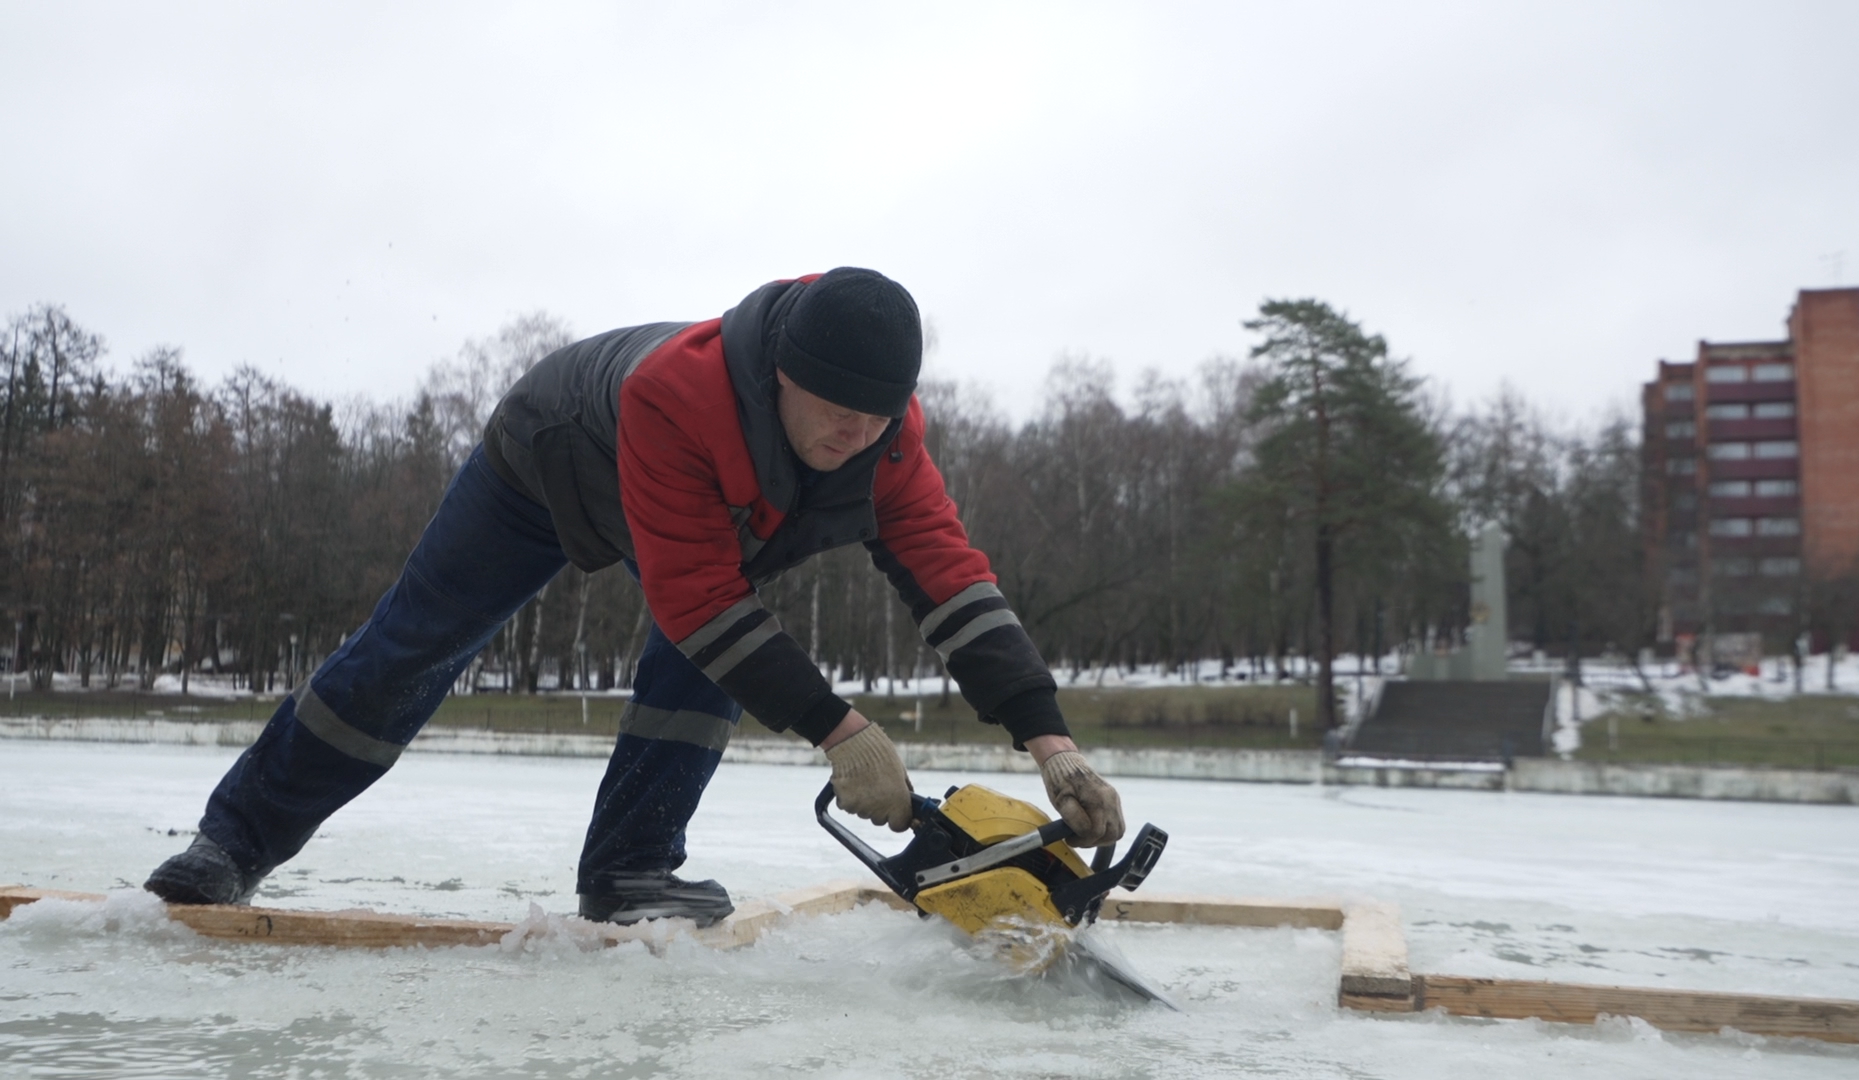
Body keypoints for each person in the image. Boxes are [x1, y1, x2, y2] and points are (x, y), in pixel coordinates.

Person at [144, 268, 1125, 926]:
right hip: (553, 463)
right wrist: (842, 729)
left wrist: (1053, 743)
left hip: (727, 511)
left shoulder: (886, 439)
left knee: (705, 667)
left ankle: (630, 873)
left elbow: (956, 587)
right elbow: (697, 597)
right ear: (785, 375)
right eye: (837, 411)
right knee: (415, 644)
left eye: (878, 416)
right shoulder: (678, 393)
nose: (857, 433)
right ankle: (231, 843)